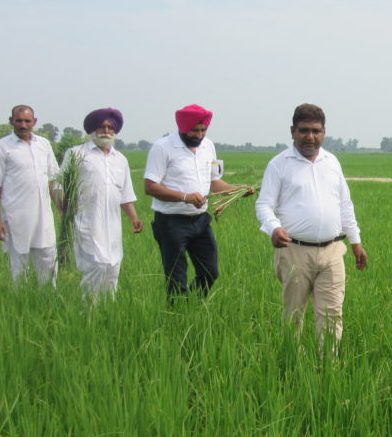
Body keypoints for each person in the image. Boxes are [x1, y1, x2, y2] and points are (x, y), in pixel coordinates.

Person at [255, 104, 368, 352]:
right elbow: (264, 205)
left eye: (316, 131)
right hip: (295, 251)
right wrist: (274, 228)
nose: (310, 137)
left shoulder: (332, 162)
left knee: (332, 315)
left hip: (333, 251)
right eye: (304, 130)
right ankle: (290, 366)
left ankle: (328, 369)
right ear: (293, 131)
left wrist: (356, 242)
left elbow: (345, 205)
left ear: (324, 132)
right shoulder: (279, 164)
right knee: (294, 316)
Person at [143, 104, 254, 297]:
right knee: (177, 279)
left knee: (210, 272)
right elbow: (150, 187)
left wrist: (238, 190)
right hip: (171, 223)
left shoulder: (208, 146)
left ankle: (191, 306)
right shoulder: (162, 147)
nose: (199, 135)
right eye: (195, 130)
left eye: (203, 130)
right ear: (182, 127)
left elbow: (215, 182)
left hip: (201, 221)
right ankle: (178, 314)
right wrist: (185, 197)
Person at [58, 108, 143, 298]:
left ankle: (107, 310)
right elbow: (58, 185)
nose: (106, 131)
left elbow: (125, 193)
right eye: (101, 127)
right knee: (95, 266)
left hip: (113, 224)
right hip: (86, 221)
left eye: (110, 127)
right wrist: (63, 210)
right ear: (92, 129)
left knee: (113, 267)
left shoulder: (120, 159)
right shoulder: (76, 154)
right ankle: (88, 313)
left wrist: (134, 218)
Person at [0, 105, 59, 285]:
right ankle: (21, 298)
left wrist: (61, 205)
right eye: (18, 121)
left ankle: (49, 299)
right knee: (19, 264)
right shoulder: (1, 147)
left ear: (34, 122)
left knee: (48, 260)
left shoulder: (44, 145)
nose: (23, 125)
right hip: (16, 216)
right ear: (11, 121)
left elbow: (53, 179)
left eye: (27, 121)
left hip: (44, 216)